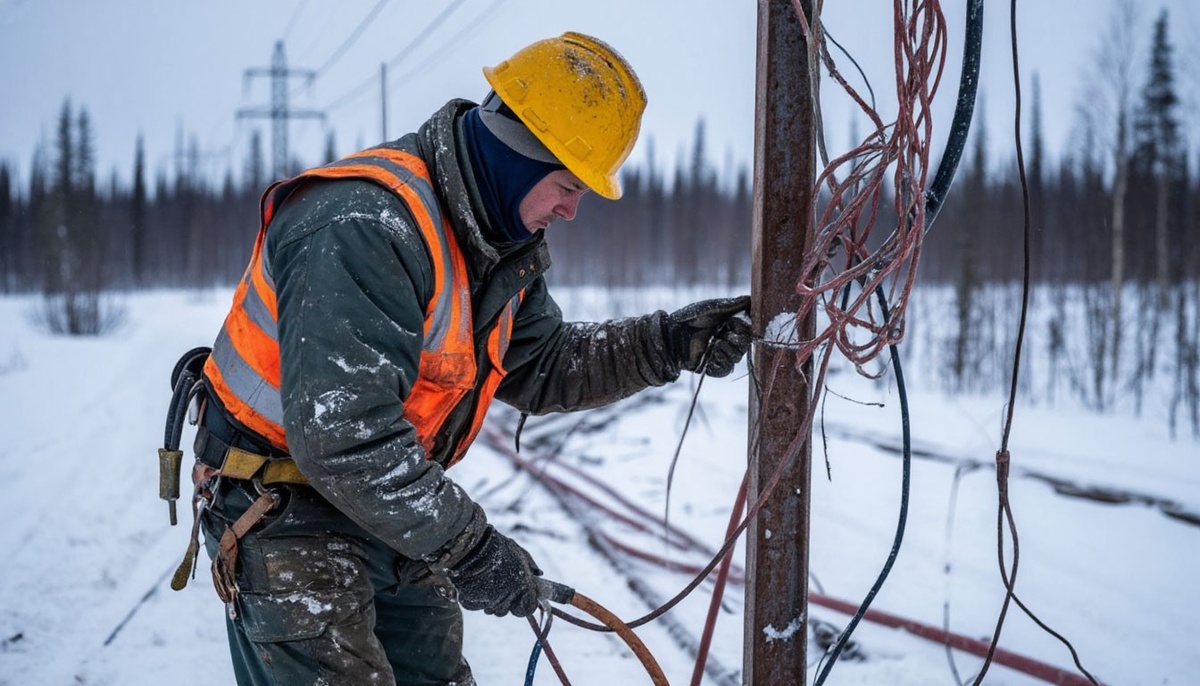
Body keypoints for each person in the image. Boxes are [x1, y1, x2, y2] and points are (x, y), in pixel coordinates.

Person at [184, 32, 751, 685]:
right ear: (518, 157)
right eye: (567, 186)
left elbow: (542, 364)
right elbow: (346, 440)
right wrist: (470, 546)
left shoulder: (496, 243)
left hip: (384, 499)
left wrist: (665, 344)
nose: (570, 210)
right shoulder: (365, 223)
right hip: (282, 502)